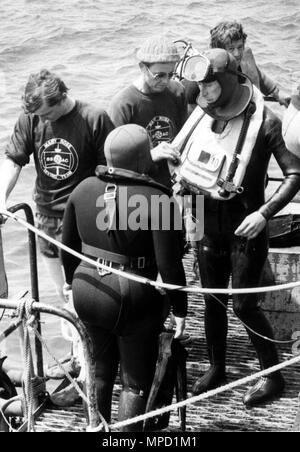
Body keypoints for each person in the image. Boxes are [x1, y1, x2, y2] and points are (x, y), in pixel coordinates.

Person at [177, 48, 300, 407]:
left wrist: (264, 213)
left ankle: (272, 376)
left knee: (244, 307)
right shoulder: (201, 112)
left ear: (229, 80)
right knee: (212, 301)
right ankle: (217, 367)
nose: (205, 92)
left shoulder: (267, 121)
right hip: (206, 228)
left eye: (211, 85)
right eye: (200, 86)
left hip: (246, 229)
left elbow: (294, 174)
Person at [60, 124, 187, 430]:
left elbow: (66, 248)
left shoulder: (83, 188)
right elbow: (169, 267)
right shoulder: (160, 200)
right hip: (131, 297)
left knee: (101, 371)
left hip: (86, 288)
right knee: (134, 383)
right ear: (146, 158)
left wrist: (68, 283)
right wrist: (181, 309)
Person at [0, 69, 114, 377]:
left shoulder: (95, 118)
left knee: (92, 293)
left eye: (45, 113)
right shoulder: (30, 118)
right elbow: (14, 160)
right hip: (48, 219)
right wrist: (1, 196)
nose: (42, 119)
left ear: (61, 98)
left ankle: (99, 361)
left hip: (89, 219)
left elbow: (114, 171)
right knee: (64, 296)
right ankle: (80, 362)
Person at [108, 35, 188, 188]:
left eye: (170, 75)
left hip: (177, 180)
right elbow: (115, 164)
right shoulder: (122, 104)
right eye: (159, 75)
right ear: (142, 67)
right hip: (140, 186)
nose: (165, 81)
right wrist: (150, 156)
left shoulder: (178, 91)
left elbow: (185, 137)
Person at [183, 20, 289, 112]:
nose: (237, 54)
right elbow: (190, 112)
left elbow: (258, 76)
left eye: (240, 47)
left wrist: (277, 94)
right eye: (231, 48)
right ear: (217, 50)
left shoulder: (245, 58)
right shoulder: (202, 74)